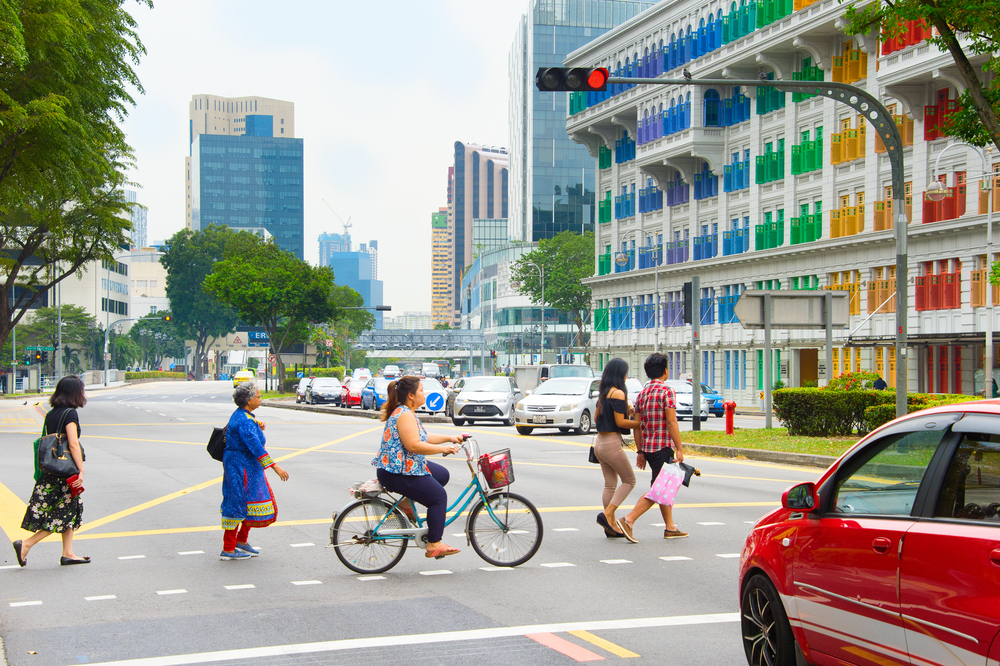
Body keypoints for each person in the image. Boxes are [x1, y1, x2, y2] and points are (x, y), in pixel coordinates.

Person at [373, 375, 464, 558]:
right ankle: (434, 543)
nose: (425, 393)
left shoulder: (406, 411)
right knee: (438, 497)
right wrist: (443, 449)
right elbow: (414, 445)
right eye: (421, 390)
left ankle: (407, 503)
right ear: (411, 396)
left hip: (404, 467)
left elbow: (422, 436)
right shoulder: (405, 414)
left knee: (441, 475)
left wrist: (449, 437)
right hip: (396, 472)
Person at [15, 376, 89, 567]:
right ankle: (26, 544)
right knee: (61, 515)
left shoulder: (51, 414)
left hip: (51, 471)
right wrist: (81, 470)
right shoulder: (70, 414)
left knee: (70, 511)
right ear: (75, 393)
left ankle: (68, 553)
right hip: (65, 474)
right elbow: (72, 443)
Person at [617, 353, 688, 543]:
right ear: (665, 371)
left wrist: (640, 451)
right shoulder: (667, 391)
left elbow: (637, 425)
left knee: (662, 486)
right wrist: (679, 448)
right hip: (663, 447)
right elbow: (672, 422)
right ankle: (628, 520)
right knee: (659, 489)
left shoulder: (643, 394)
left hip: (648, 449)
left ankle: (670, 527)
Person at [220, 382, 289, 560]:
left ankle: (241, 541)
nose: (260, 399)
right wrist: (275, 467)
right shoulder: (244, 421)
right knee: (237, 504)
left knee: (249, 502)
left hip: (247, 467)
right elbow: (256, 448)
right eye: (258, 397)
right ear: (248, 400)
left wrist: (258, 427)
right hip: (239, 468)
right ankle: (228, 548)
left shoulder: (246, 417)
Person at [593, 358, 641, 538]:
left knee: (610, 484)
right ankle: (607, 515)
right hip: (612, 444)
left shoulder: (604, 393)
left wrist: (625, 412)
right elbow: (620, 422)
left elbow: (598, 418)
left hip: (600, 444)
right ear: (621, 374)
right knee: (629, 480)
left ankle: (610, 525)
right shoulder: (619, 393)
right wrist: (640, 423)